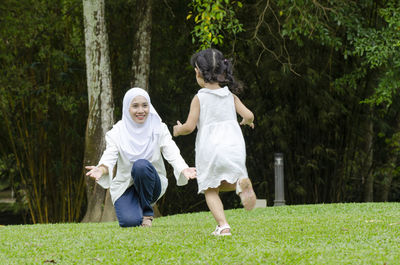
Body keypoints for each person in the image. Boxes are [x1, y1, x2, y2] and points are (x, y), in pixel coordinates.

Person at [173, 48, 256, 236]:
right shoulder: (230, 95)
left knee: (210, 188)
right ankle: (240, 185)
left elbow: (189, 127)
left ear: (198, 72)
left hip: (210, 147)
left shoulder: (199, 98)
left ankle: (223, 225)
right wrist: (247, 122)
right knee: (228, 177)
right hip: (233, 144)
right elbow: (249, 115)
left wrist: (178, 130)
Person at [86, 87, 196, 228]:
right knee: (129, 222)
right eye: (135, 106)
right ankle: (136, 210)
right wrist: (101, 169)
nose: (141, 111)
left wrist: (183, 168)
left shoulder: (158, 127)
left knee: (141, 165)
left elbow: (171, 150)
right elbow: (109, 156)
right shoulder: (117, 132)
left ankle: (147, 214)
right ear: (127, 108)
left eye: (145, 105)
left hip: (151, 182)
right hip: (126, 185)